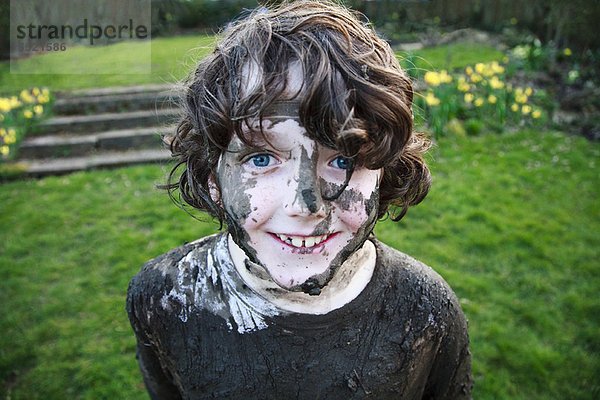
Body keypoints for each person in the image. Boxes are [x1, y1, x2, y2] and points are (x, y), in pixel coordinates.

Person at [127, 1, 473, 398]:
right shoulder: (163, 299)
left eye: (343, 159)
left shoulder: (425, 310)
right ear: (213, 179)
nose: (305, 206)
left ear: (385, 173)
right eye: (261, 158)